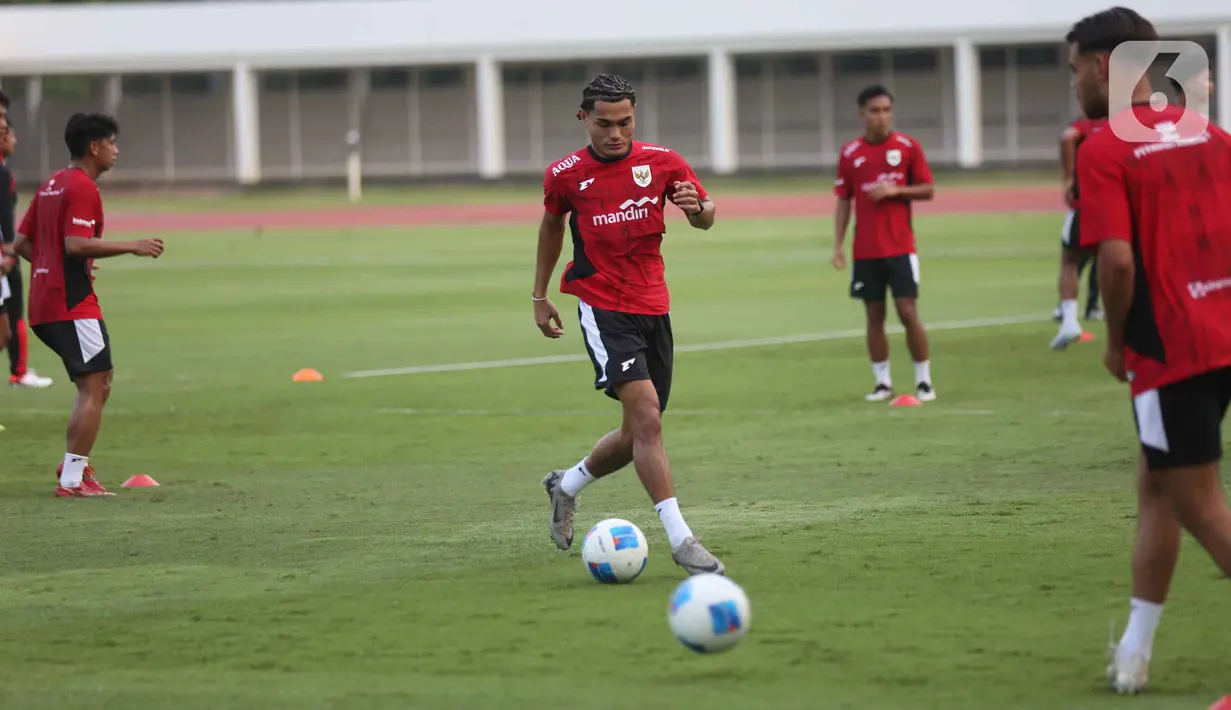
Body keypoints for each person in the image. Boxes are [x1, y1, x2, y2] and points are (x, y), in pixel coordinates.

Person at [1068, 6, 1231, 694]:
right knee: (1155, 487)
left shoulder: (1103, 147)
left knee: (1196, 503)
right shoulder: (1212, 134)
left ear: (1104, 66)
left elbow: (1116, 263)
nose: (1073, 79)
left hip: (1172, 349)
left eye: (1074, 66)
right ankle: (1133, 656)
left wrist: (1112, 343)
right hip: (1224, 329)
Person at [532, 74, 725, 576]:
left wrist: (697, 210)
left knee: (638, 429)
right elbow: (552, 228)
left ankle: (566, 485)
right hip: (602, 305)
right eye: (604, 124)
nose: (615, 133)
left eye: (625, 123)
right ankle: (682, 539)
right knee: (650, 422)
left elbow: (706, 215)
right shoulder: (565, 174)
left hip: (653, 306)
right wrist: (540, 295)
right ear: (583, 119)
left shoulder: (664, 162)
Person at [3, 113, 165, 497]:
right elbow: (75, 245)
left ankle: (74, 464)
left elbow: (22, 242)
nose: (116, 150)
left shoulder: (52, 184)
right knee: (95, 386)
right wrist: (133, 246)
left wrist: (46, 268)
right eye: (112, 143)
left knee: (97, 382)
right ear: (95, 146)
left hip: (46, 301)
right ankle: (73, 480)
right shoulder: (81, 187)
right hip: (70, 304)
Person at [832, 85, 937, 402]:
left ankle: (924, 381)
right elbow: (843, 201)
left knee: (907, 311)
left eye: (887, 110)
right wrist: (837, 245)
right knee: (874, 315)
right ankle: (882, 384)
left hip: (901, 247)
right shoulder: (851, 153)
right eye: (875, 110)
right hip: (865, 250)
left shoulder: (907, 147)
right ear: (862, 113)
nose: (882, 116)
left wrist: (895, 191)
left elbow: (928, 189)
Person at [0, 93, 53, 389]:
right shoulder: (2, 173)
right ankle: (18, 372)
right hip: (4, 257)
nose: (9, 130)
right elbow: (5, 221)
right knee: (10, 319)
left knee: (4, 329)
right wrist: (10, 252)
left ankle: (18, 371)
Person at [1051, 115, 1107, 349]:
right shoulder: (1123, 123)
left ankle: (1070, 321)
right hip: (1117, 205)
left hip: (1084, 204)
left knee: (1070, 262)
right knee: (1114, 260)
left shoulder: (1087, 124)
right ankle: (1102, 313)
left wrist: (1067, 178)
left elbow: (1068, 137)